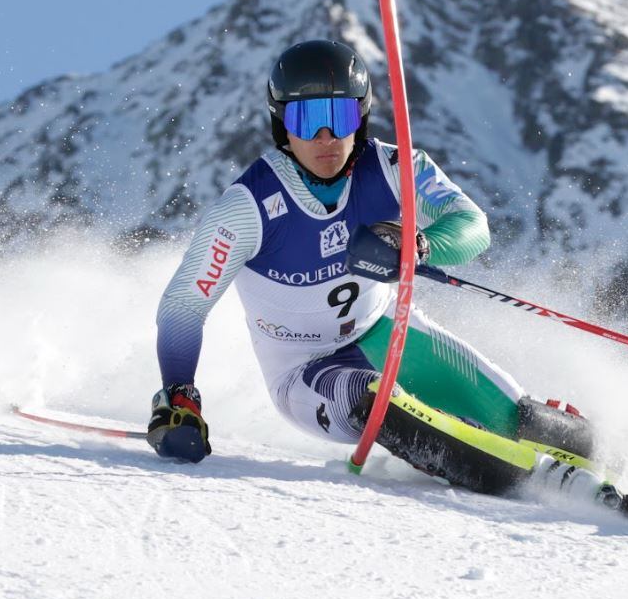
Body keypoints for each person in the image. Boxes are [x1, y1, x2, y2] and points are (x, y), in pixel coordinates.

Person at [151, 40, 605, 500]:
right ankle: (534, 481)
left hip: (386, 333)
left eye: (340, 117)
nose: (326, 137)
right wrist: (179, 392)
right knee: (376, 400)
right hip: (302, 369)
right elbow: (184, 306)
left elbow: (473, 226)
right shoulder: (246, 208)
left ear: (362, 116)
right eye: (307, 120)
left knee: (538, 428)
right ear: (282, 124)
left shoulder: (393, 167)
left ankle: (598, 473)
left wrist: (420, 245)